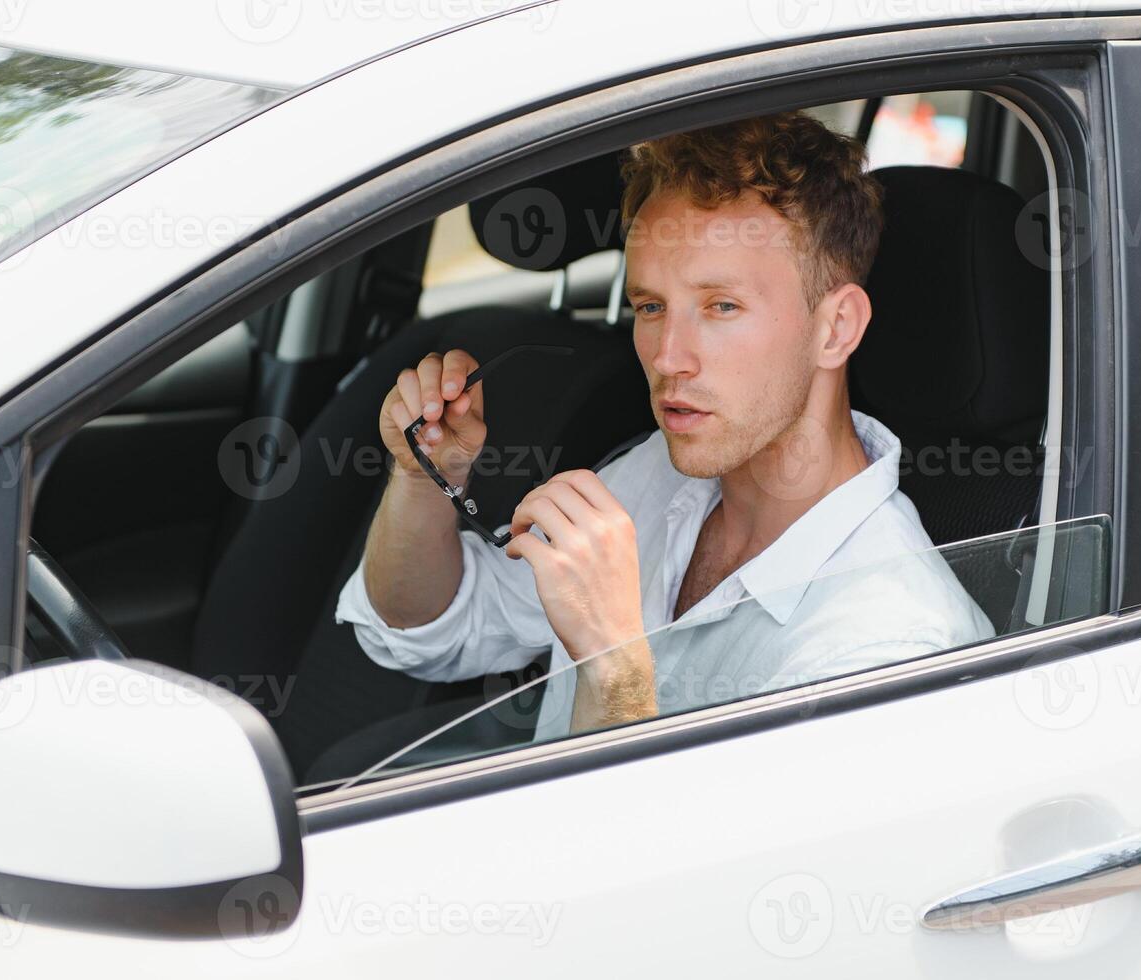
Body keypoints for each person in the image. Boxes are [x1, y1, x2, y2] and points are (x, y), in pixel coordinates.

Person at [336, 110, 993, 742]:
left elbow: (675, 858)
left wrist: (616, 667)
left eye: (721, 306)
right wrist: (426, 477)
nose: (668, 358)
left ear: (836, 327)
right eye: (651, 307)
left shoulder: (891, 650)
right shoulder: (658, 477)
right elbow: (427, 631)